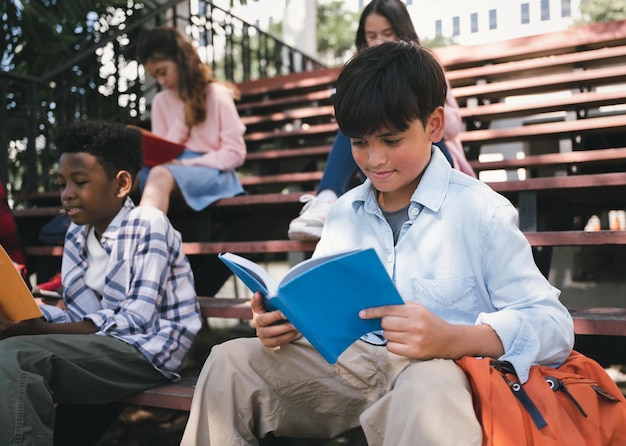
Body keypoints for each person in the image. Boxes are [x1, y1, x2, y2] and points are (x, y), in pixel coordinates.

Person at [180, 41, 574, 445]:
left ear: (434, 125)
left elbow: (554, 326)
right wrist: (286, 323)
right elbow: (324, 305)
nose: (374, 159)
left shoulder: (481, 211)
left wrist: (455, 338)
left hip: (442, 371)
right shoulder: (345, 211)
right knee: (229, 361)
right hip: (350, 367)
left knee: (429, 389)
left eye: (391, 140)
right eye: (360, 142)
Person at [0, 120, 202, 445]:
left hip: (149, 350)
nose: (66, 195)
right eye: (62, 183)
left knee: (16, 358)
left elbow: (134, 322)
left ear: (121, 184)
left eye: (79, 182)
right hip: (106, 344)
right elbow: (82, 317)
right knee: (10, 349)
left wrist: (37, 331)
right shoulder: (76, 233)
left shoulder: (148, 224)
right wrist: (31, 316)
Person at [288, 0, 474, 241]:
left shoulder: (422, 68)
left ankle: (329, 194)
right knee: (356, 127)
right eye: (371, 36)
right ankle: (326, 198)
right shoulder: (362, 77)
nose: (379, 42)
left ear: (403, 33)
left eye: (388, 34)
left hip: (434, 154)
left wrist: (409, 108)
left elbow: (453, 125)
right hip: (389, 175)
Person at [136, 26, 247, 214]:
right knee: (124, 177)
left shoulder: (217, 95)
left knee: (160, 174)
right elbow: (164, 151)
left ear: (180, 60)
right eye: (155, 76)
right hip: (170, 169)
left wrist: (185, 164)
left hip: (214, 172)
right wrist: (184, 120)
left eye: (163, 72)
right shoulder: (161, 101)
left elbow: (235, 153)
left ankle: (143, 241)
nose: (161, 81)